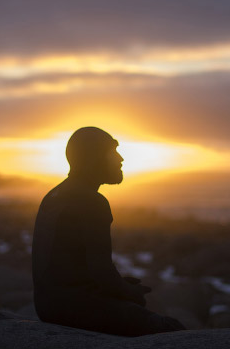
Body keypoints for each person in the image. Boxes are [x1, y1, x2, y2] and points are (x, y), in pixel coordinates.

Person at [32, 127, 185, 336]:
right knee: (171, 330)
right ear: (93, 158)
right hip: (74, 310)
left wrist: (121, 285)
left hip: (47, 306)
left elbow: (70, 268)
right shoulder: (91, 202)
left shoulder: (53, 195)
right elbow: (101, 272)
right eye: (112, 152)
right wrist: (131, 294)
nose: (120, 159)